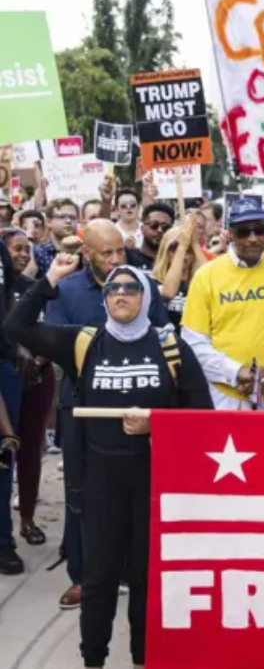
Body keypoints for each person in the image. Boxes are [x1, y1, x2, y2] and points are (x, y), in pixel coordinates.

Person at [7, 254, 212, 669]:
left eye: (130, 287)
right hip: (99, 480)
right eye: (112, 289)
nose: (120, 294)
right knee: (97, 580)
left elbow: (201, 417)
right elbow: (14, 327)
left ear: (146, 295)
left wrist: (157, 424)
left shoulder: (171, 346)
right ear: (104, 299)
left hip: (152, 482)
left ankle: (142, 658)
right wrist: (50, 278)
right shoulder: (83, 341)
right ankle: (94, 659)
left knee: (143, 578)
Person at [43, 219, 171, 608]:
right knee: (80, 494)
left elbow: (163, 333)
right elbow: (54, 340)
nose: (117, 259)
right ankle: (83, 576)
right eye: (107, 253)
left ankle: (134, 572)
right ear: (87, 254)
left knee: (135, 494)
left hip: (137, 411)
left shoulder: (143, 284)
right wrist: (108, 339)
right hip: (82, 409)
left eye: (120, 251)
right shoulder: (65, 290)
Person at [182, 198, 264, 411]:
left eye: (259, 230)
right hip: (225, 395)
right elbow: (194, 341)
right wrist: (234, 372)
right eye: (244, 232)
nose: (253, 238)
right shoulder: (206, 275)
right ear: (230, 234)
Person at [2, 229, 54, 548]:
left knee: (32, 449)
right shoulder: (4, 291)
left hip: (39, 374)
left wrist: (40, 358)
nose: (23, 254)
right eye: (16, 249)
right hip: (8, 374)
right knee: (8, 446)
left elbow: (54, 327)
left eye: (27, 249)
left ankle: (27, 517)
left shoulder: (37, 289)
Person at [0, 238, 24, 575]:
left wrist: (14, 342)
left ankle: (3, 540)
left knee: (5, 453)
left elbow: (8, 298)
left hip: (3, 361)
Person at [151, 216, 209, 333]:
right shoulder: (152, 281)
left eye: (189, 248)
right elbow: (168, 292)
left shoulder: (199, 282)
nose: (182, 253)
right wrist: (182, 246)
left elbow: (213, 281)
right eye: (174, 247)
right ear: (165, 250)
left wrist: (195, 244)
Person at [34, 198, 80, 275]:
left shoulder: (83, 252)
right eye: (62, 217)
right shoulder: (37, 252)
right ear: (48, 222)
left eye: (72, 218)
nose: (68, 221)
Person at [126, 202, 175, 272]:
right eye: (154, 225)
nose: (160, 230)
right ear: (142, 228)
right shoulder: (128, 257)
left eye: (165, 227)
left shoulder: (175, 262)